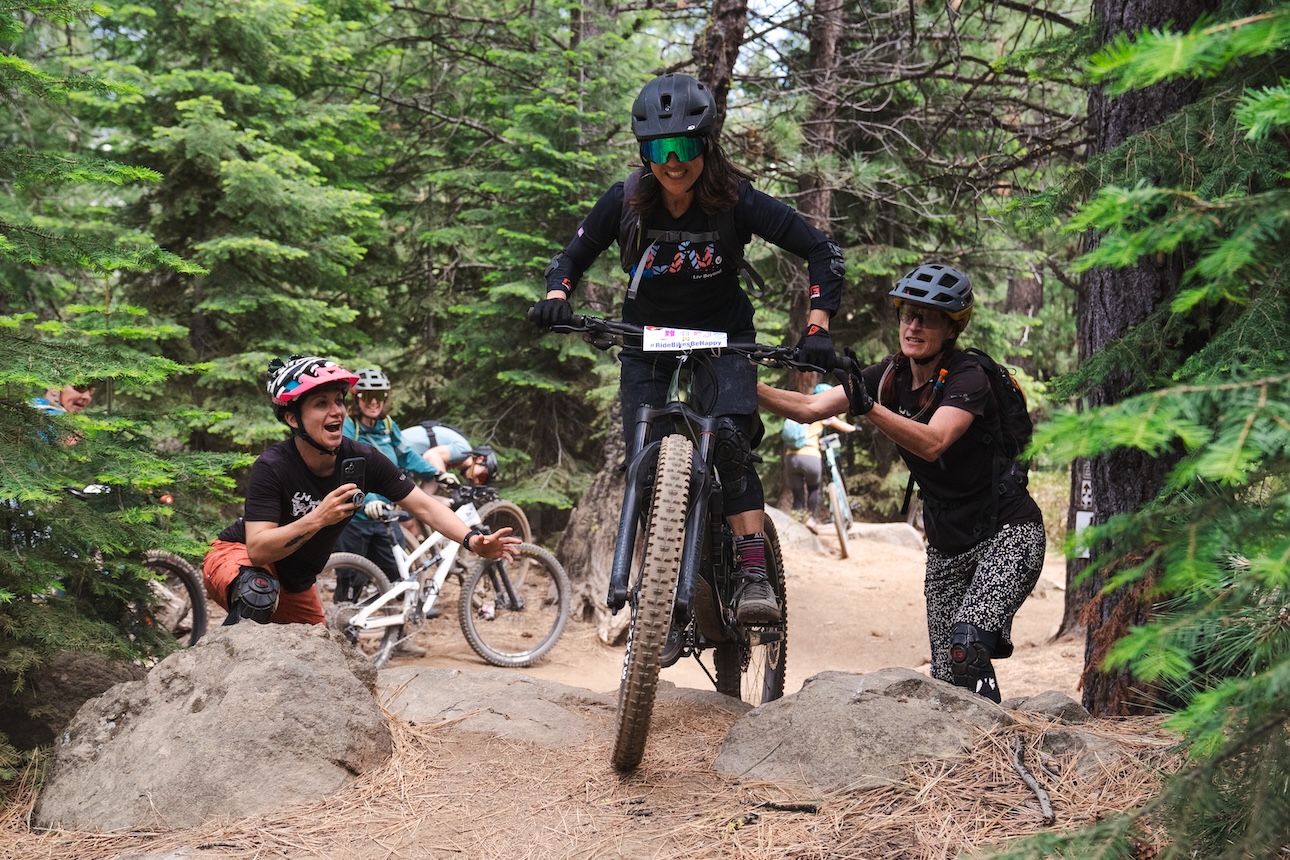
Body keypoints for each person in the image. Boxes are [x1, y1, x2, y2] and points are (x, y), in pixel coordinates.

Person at [531, 73, 845, 624]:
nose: (672, 162)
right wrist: (558, 294)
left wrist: (817, 326)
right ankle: (661, 567)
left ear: (706, 144)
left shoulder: (735, 200)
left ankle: (753, 574)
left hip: (723, 334)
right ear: (644, 151)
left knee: (728, 440)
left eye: (684, 146)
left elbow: (820, 251)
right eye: (658, 148)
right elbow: (570, 259)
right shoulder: (627, 198)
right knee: (642, 450)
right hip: (646, 337)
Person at [757, 263, 1045, 702]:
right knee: (949, 681)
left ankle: (995, 745)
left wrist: (867, 406)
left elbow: (933, 442)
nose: (913, 326)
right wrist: (740, 384)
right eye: (908, 315)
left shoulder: (969, 376)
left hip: (1008, 533)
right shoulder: (889, 374)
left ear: (951, 329)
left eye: (927, 318)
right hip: (948, 543)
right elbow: (805, 408)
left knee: (968, 646)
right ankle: (972, 751)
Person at [201, 355, 520, 628]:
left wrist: (473, 540)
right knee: (256, 591)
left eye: (339, 400)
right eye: (321, 403)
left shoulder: (362, 458)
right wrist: (318, 518)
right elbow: (257, 549)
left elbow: (423, 506)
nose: (336, 411)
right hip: (237, 556)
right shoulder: (273, 466)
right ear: (291, 418)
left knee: (319, 663)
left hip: (296, 580)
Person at [331, 369, 445, 643]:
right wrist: (367, 501)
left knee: (398, 580)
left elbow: (406, 456)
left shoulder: (388, 425)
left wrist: (437, 474)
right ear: (357, 398)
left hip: (385, 519)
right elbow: (345, 470)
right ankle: (342, 643)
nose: (374, 402)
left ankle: (397, 640)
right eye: (368, 395)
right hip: (355, 520)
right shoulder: (349, 427)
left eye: (380, 395)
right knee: (351, 582)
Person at [784, 383, 856, 531]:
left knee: (797, 494)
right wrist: (855, 428)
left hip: (791, 458)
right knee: (813, 489)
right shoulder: (822, 412)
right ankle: (811, 520)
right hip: (810, 456)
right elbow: (843, 427)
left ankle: (796, 524)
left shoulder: (800, 408)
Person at [401, 422, 498, 486]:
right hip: (396, 449)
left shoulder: (446, 462)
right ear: (479, 459)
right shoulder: (463, 450)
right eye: (482, 476)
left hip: (402, 457)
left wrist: (452, 502)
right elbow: (430, 455)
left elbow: (427, 495)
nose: (476, 482)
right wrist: (446, 482)